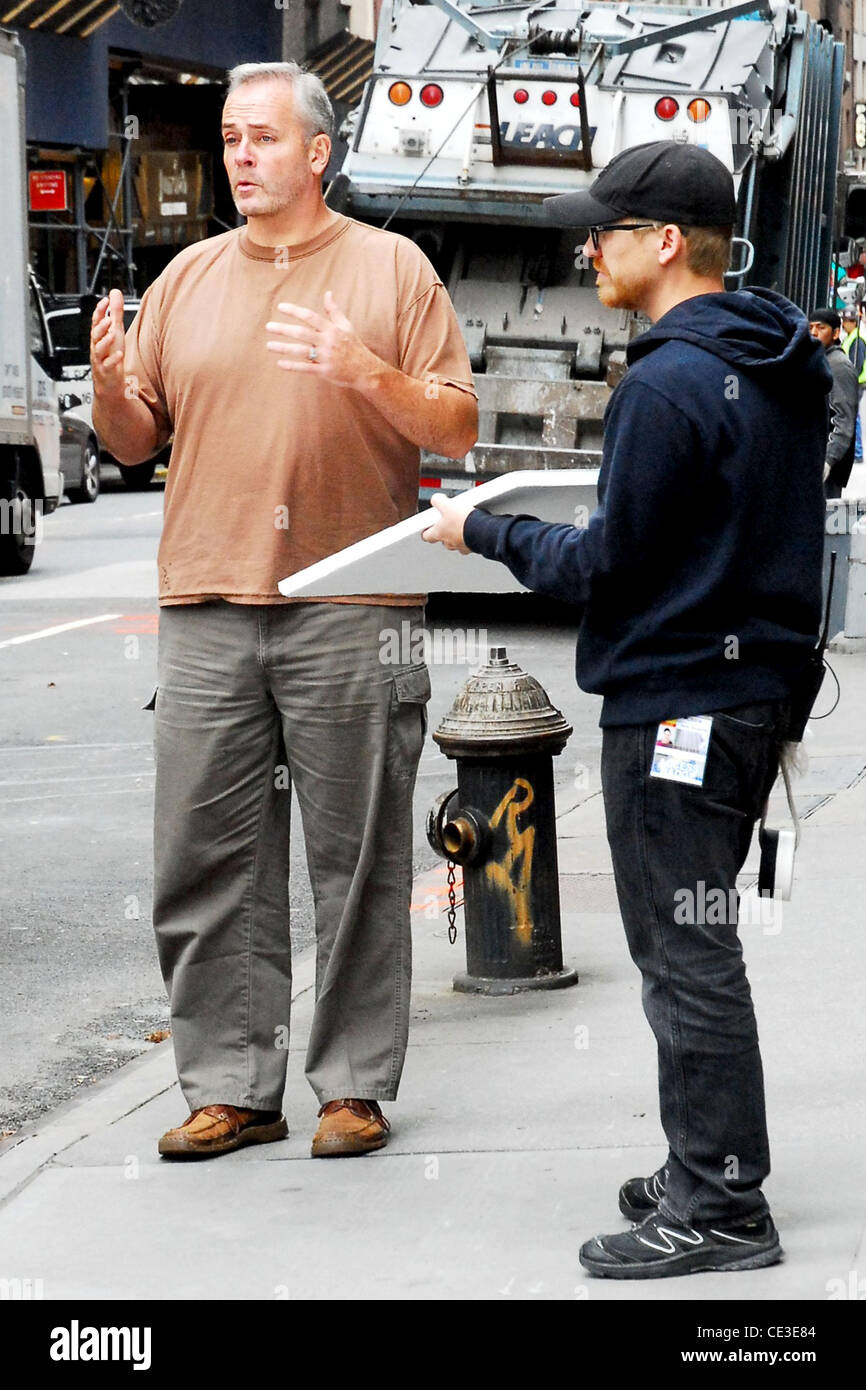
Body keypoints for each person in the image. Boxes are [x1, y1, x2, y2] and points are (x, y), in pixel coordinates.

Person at [423, 141, 830, 1278]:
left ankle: (718, 1205)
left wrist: (484, 530)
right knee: (693, 943)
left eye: (603, 228)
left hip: (676, 708)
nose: (583, 245)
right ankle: (703, 1164)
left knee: (683, 951)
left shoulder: (661, 379)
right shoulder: (776, 357)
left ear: (663, 243)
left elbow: (607, 564)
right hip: (749, 694)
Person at [90, 61, 477, 1161]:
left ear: (316, 154)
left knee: (355, 862)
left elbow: (453, 423)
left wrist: (363, 372)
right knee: (205, 857)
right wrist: (113, 388)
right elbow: (133, 441)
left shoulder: (391, 269)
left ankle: (351, 1084)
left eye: (261, 137)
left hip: (351, 599)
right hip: (209, 600)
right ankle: (230, 1085)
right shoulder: (188, 279)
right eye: (228, 139)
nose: (241, 156)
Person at [808, 308, 859, 498]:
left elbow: (843, 419)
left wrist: (829, 460)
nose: (813, 333)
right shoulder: (821, 360)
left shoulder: (838, 366)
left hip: (826, 466)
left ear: (836, 333)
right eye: (811, 327)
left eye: (821, 328)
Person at [840, 306, 866, 461]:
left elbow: (856, 363)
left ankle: (857, 452)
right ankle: (855, 451)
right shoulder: (852, 337)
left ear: (852, 322)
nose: (843, 324)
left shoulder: (857, 339)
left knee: (852, 415)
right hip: (855, 382)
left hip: (855, 383)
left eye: (845, 321)